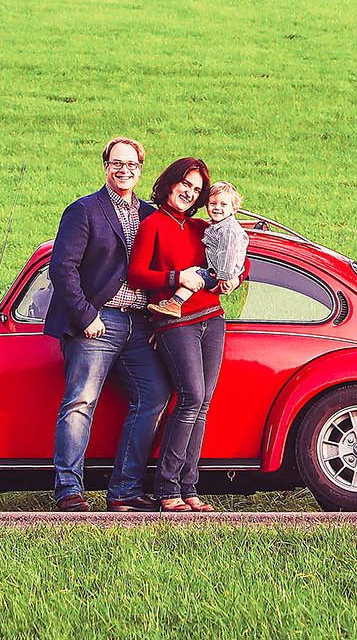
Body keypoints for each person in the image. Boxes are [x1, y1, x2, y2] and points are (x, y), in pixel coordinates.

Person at [42, 136, 172, 512]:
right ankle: (69, 490)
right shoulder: (84, 210)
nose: (124, 170)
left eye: (132, 164)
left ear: (140, 169)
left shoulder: (150, 215)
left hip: (141, 326)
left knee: (154, 395)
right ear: (105, 166)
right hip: (96, 322)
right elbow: (61, 269)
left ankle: (124, 491)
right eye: (117, 163)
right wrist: (86, 316)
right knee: (80, 401)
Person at [126, 158, 239, 512]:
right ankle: (167, 487)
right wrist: (176, 279)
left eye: (196, 189)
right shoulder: (153, 225)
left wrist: (237, 275)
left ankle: (190, 487)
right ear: (170, 183)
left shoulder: (201, 227)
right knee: (190, 397)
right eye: (184, 185)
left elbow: (234, 249)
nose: (189, 193)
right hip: (175, 322)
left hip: (213, 318)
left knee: (203, 404)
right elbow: (137, 275)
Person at [149, 180, 247, 318]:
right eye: (212, 204)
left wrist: (226, 278)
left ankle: (175, 303)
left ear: (234, 208)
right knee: (198, 273)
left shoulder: (229, 230)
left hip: (220, 275)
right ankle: (174, 304)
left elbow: (228, 254)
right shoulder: (216, 227)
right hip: (220, 272)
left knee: (196, 274)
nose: (217, 208)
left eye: (223, 204)